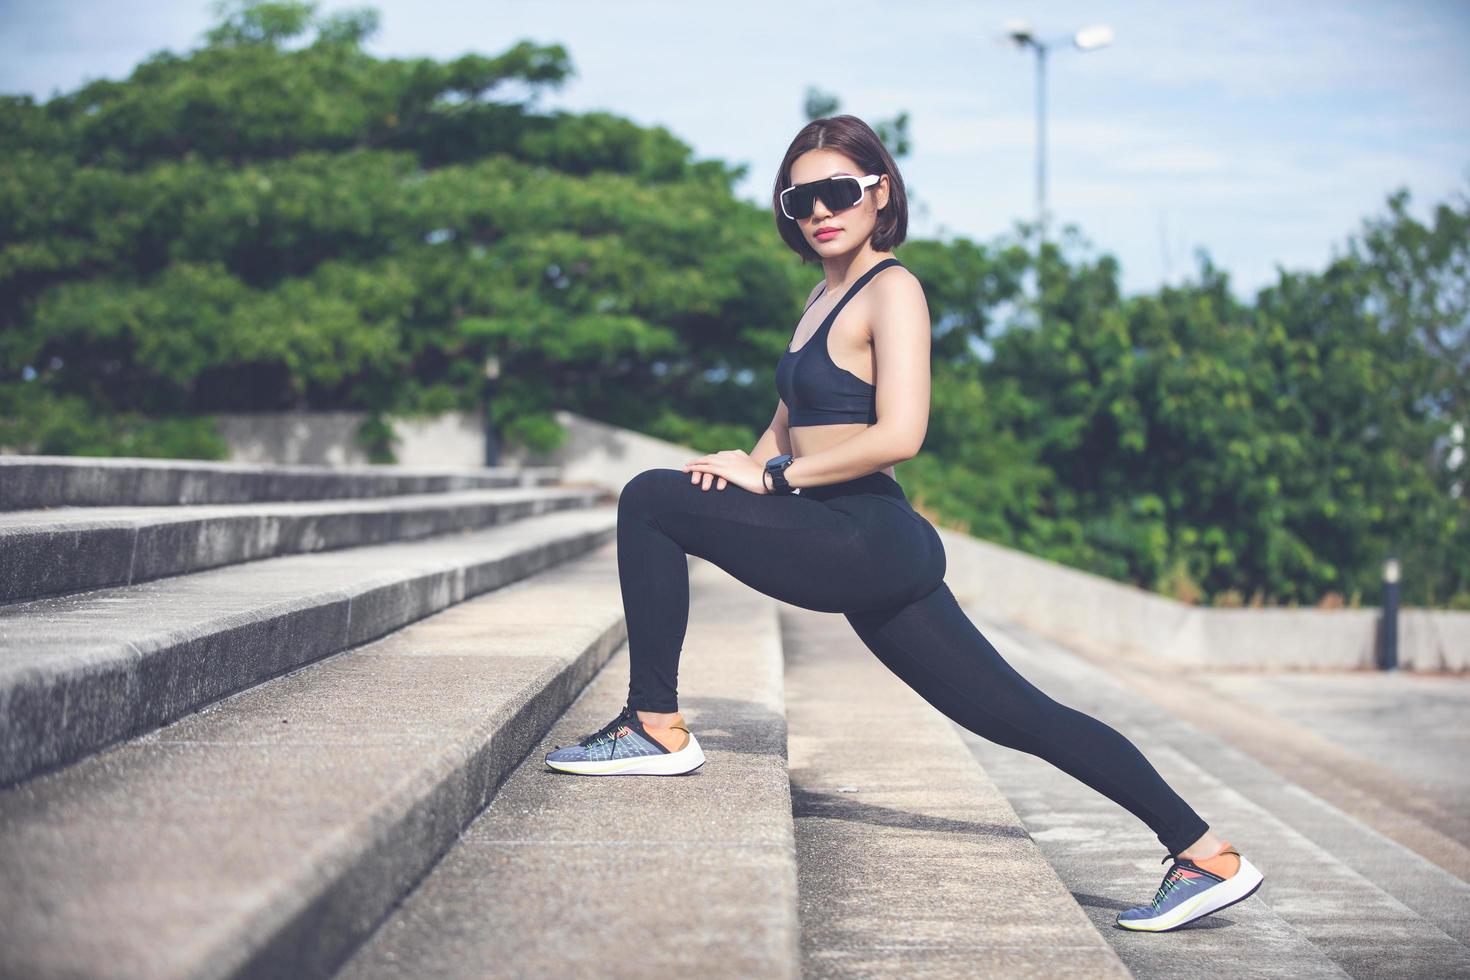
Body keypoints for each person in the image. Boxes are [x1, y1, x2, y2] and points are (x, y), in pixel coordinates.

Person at [544, 114, 1264, 933]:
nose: (820, 210)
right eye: (801, 198)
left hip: (866, 534)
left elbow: (900, 434)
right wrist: (738, 466)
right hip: (847, 537)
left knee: (646, 496)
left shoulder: (894, 288)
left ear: (879, 193)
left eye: (838, 191)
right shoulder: (821, 297)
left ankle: (654, 724)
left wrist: (770, 478)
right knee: (1013, 714)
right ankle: (1205, 852)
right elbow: (783, 428)